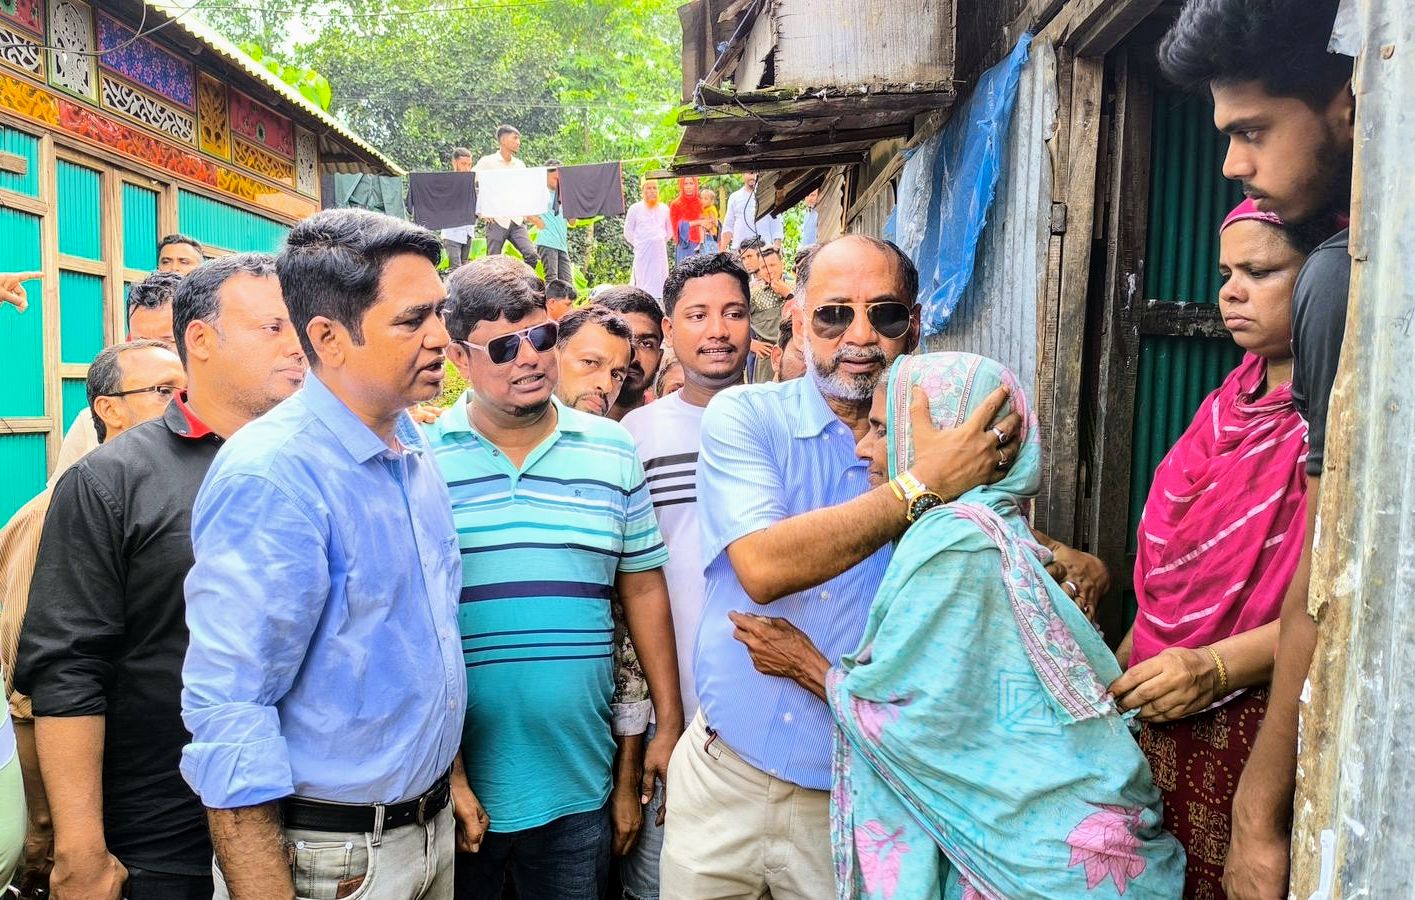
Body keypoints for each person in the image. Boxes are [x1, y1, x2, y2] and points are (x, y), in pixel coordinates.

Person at [730, 351, 1186, 898]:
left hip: (1028, 863)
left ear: (948, 434)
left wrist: (808, 666)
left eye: (881, 428)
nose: (864, 449)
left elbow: (917, 724)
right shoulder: (997, 526)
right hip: (1070, 849)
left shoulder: (952, 542)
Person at [658, 235, 1023, 899]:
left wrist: (1064, 559)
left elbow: (987, 556)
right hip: (722, 774)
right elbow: (762, 567)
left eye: (883, 315)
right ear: (799, 319)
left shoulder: (947, 439)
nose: (858, 336)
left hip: (855, 797)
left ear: (911, 327)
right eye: (833, 315)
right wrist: (920, 485)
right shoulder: (745, 416)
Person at [179, 210, 474, 900]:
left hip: (423, 832)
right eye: (412, 321)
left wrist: (446, 777)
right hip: (332, 862)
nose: (440, 338)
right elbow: (231, 707)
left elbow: (421, 643)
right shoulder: (274, 476)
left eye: (439, 312)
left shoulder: (412, 445)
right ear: (327, 338)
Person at [14, 255, 304, 900]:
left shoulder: (319, 461)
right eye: (273, 328)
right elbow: (65, 669)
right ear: (200, 340)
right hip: (164, 834)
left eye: (300, 326)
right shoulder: (112, 481)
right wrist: (80, 852)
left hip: (319, 821)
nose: (298, 345)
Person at [1158, 3, 1354, 896]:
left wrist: (1256, 818)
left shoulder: (1342, 279)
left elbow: (1324, 574)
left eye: (1251, 130)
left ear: (1347, 102)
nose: (1231, 162)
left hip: (1257, 721)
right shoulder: (1219, 408)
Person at [424, 263, 682, 900]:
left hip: (579, 781)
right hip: (455, 791)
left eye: (540, 338)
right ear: (459, 356)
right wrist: (448, 774)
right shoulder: (422, 460)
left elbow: (642, 590)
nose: (529, 359)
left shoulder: (611, 451)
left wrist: (668, 723)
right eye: (504, 347)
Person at [1107, 202, 1313, 895]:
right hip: (1161, 705)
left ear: (1321, 279)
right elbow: (1170, 571)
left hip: (1255, 727)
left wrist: (1214, 667)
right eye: (1226, 272)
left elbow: (1324, 603)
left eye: (1260, 271)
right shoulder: (1224, 405)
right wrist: (1122, 662)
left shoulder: (1330, 420)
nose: (1230, 291)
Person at [1, 338, 185, 898]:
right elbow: (35, 684)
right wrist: (48, 835)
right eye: (162, 392)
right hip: (114, 812)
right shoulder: (65, 508)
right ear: (109, 409)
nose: (181, 401)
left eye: (186, 388)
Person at [618, 252, 752, 900]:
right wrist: (656, 720)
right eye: (698, 315)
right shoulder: (635, 436)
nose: (717, 330)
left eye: (732, 313)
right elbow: (631, 587)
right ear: (670, 331)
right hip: (675, 718)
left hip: (770, 716)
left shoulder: (782, 419)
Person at [53, 271, 184, 475]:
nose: (155, 355)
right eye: (142, 343)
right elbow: (56, 496)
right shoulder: (95, 419)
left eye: (168, 342)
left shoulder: (223, 415)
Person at [596, 287, 666, 422]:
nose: (632, 357)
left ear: (659, 359)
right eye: (621, 339)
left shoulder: (668, 427)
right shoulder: (555, 422)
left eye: (646, 344)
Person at [476, 125, 540, 269]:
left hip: (517, 221)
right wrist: (481, 211)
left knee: (531, 255)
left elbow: (525, 191)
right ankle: (492, 290)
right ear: (503, 140)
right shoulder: (487, 162)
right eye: (515, 138)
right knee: (492, 262)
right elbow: (469, 184)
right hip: (496, 221)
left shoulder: (520, 165)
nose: (518, 142)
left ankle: (522, 287)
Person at [554, 305, 633, 417]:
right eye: (590, 362)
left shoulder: (617, 434)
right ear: (552, 357)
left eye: (616, 375)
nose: (606, 386)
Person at [748, 246, 793, 384]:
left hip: (795, 356)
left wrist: (789, 295)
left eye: (772, 265)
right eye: (763, 267)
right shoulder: (753, 295)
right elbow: (733, 319)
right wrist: (750, 343)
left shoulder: (797, 287)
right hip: (767, 362)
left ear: (782, 264)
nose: (768, 270)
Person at [623, 181, 673, 301]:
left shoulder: (664, 208)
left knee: (660, 281)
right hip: (642, 253)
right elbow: (627, 232)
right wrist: (640, 244)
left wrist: (657, 241)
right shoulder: (635, 208)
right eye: (648, 188)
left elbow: (669, 231)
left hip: (659, 253)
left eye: (654, 188)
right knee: (642, 282)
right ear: (642, 191)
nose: (652, 191)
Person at [531, 161, 573, 284]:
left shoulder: (563, 195)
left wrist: (573, 206)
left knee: (567, 282)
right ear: (546, 175)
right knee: (552, 280)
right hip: (547, 241)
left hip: (561, 244)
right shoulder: (541, 193)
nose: (558, 181)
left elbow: (572, 222)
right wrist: (537, 221)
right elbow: (526, 210)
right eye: (555, 178)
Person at [720, 173, 784, 251]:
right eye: (750, 173)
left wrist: (777, 248)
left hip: (764, 250)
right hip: (739, 252)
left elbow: (776, 224)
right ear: (743, 174)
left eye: (756, 174)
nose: (754, 176)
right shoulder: (734, 197)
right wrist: (722, 250)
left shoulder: (769, 196)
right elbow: (728, 226)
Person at [442, 147, 477, 271]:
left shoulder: (472, 183)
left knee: (464, 270)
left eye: (469, 164)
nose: (467, 168)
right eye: (463, 164)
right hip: (452, 232)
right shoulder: (447, 183)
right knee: (456, 270)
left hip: (468, 231)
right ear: (455, 163)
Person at [669, 177, 706, 264]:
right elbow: (677, 227)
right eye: (685, 184)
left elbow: (706, 223)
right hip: (684, 245)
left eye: (691, 183)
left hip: (700, 245)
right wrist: (697, 222)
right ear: (681, 185)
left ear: (695, 185)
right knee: (685, 274)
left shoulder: (700, 203)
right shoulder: (675, 204)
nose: (688, 186)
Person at [698, 188, 721, 255]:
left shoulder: (711, 209)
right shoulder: (704, 208)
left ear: (711, 201)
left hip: (711, 232)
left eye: (705, 199)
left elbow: (714, 221)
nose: (702, 201)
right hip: (706, 231)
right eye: (701, 198)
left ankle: (701, 242)